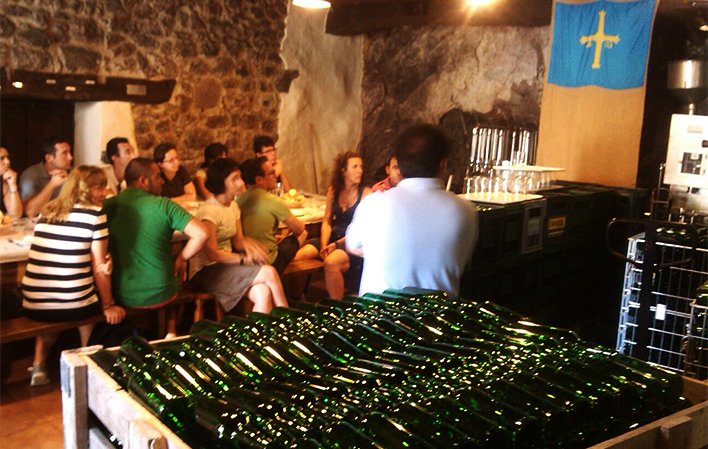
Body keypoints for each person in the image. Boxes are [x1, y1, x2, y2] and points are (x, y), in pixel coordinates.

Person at [20, 166, 126, 386]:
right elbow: (99, 267)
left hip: (32, 303)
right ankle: (84, 361)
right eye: (99, 187)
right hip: (73, 305)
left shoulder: (48, 210)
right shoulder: (95, 215)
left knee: (53, 296)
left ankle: (39, 363)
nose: (105, 192)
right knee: (86, 300)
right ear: (84, 189)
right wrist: (109, 305)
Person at [346, 124, 479, 297]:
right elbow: (462, 260)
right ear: (443, 164)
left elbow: (353, 245)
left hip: (377, 312)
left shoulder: (373, 204)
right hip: (437, 313)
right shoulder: (466, 211)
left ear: (399, 166)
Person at [104, 158, 208, 328]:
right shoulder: (165, 205)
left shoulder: (108, 205)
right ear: (143, 181)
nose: (162, 181)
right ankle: (171, 330)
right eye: (158, 176)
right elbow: (202, 233)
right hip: (161, 292)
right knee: (175, 265)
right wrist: (181, 258)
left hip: (120, 294)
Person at [191, 158, 289, 314]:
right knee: (269, 272)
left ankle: (258, 330)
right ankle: (287, 317)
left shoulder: (233, 206)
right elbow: (213, 254)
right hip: (206, 271)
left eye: (240, 177)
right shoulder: (208, 211)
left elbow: (238, 241)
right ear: (221, 183)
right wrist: (244, 259)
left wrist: (253, 248)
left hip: (226, 266)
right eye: (234, 179)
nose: (241, 182)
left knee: (263, 292)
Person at [301, 151, 371, 299]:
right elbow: (326, 220)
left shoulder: (366, 193)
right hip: (332, 237)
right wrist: (323, 245)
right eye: (355, 167)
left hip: (350, 242)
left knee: (331, 262)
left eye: (361, 167)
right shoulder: (333, 191)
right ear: (344, 171)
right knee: (299, 255)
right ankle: (297, 296)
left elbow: (364, 229)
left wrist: (336, 245)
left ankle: (337, 305)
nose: (360, 170)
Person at [237, 156, 313, 274]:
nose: (275, 176)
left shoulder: (238, 200)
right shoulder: (273, 200)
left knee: (281, 237)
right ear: (259, 180)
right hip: (267, 260)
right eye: (271, 173)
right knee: (303, 233)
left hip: (245, 258)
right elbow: (299, 228)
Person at [20, 136, 73, 218]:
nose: (70, 157)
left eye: (69, 152)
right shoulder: (31, 174)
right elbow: (30, 212)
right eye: (64, 153)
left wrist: (70, 182)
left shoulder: (73, 172)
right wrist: (52, 184)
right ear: (48, 158)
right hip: (38, 223)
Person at [0, 146, 23, 219]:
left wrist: (12, 185)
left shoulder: (4, 181)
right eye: (1, 158)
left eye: (7, 157)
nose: (8, 162)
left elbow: (15, 215)